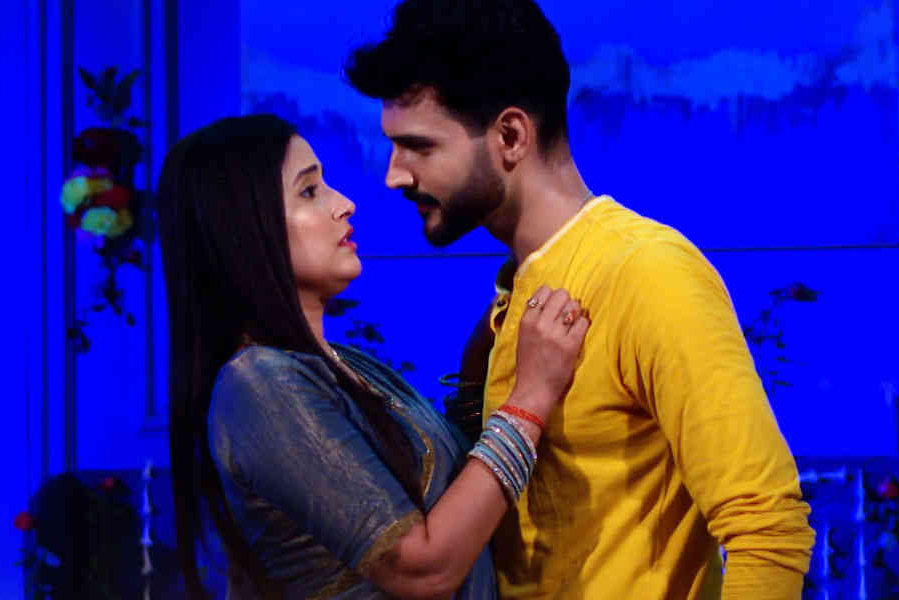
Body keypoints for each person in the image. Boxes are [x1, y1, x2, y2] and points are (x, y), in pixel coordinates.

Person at [344, 1, 816, 599]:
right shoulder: (515, 295)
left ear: (510, 136)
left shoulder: (645, 272)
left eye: (419, 146)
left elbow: (767, 527)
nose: (395, 175)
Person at [157, 114, 591, 600]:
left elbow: (451, 492)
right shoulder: (258, 384)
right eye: (309, 191)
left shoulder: (341, 364)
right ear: (244, 231)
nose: (345, 203)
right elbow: (420, 570)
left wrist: (479, 368)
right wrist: (530, 399)